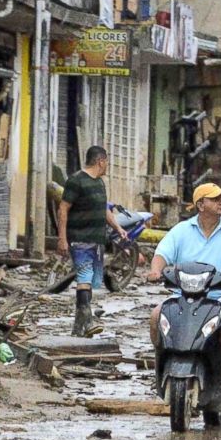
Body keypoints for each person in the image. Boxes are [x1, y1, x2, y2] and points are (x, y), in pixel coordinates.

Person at [147, 184, 221, 399]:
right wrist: (155, 270)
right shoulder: (181, 230)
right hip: (183, 294)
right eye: (215, 199)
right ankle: (162, 364)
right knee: (156, 314)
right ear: (200, 204)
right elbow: (162, 254)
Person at [57, 145, 130, 338]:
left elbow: (103, 209)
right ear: (101, 161)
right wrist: (62, 238)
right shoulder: (76, 181)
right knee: (85, 276)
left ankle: (77, 329)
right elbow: (63, 209)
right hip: (79, 239)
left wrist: (118, 228)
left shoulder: (99, 183)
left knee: (91, 282)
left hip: (97, 241)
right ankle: (88, 322)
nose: (107, 166)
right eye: (106, 162)